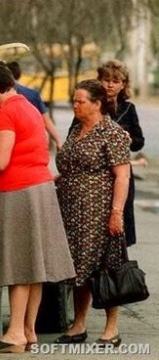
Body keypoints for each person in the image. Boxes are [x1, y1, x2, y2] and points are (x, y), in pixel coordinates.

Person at [0, 59, 75, 353]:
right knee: (33, 265)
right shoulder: (28, 107)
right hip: (38, 189)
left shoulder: (6, 114)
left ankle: (14, 332)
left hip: (17, 193)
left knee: (17, 264)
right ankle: (28, 330)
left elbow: (0, 161)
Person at [55, 79, 131, 347]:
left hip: (98, 211)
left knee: (105, 267)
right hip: (71, 210)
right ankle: (79, 323)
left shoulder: (112, 132)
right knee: (77, 268)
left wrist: (116, 213)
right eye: (74, 101)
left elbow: (122, 176)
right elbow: (68, 166)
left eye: (80, 101)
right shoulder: (76, 130)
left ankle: (112, 328)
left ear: (97, 104)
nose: (75, 105)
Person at [68, 59, 145, 247]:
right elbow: (72, 136)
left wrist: (127, 138)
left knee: (118, 229)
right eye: (106, 80)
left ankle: (117, 270)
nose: (110, 84)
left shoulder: (128, 109)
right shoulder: (89, 105)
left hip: (120, 174)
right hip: (92, 177)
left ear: (123, 85)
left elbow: (139, 142)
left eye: (115, 81)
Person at [6, 61, 62, 150]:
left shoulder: (1, 93)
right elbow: (47, 121)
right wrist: (58, 141)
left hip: (10, 141)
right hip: (32, 142)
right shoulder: (33, 94)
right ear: (19, 75)